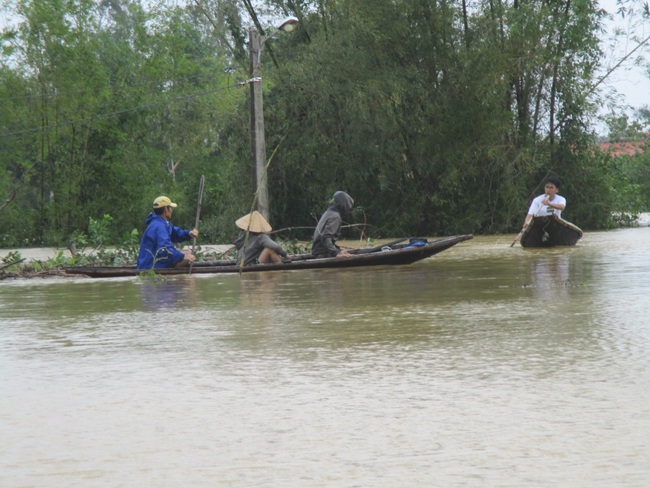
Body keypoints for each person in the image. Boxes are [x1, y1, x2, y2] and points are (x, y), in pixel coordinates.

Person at [136, 196, 198, 269]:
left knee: (186, 252)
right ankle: (177, 277)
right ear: (166, 209)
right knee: (187, 256)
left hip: (152, 261)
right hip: (151, 265)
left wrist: (188, 233)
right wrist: (182, 257)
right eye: (170, 208)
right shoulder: (159, 226)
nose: (171, 210)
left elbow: (175, 233)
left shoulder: (161, 223)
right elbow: (165, 248)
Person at [312, 190, 355, 258]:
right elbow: (325, 237)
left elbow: (323, 238)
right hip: (322, 253)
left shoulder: (328, 213)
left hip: (318, 251)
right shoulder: (335, 216)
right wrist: (336, 253)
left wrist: (337, 248)